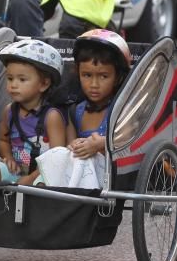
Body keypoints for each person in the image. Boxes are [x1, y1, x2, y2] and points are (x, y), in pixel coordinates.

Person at [36, 29, 130, 189]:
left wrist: (100, 144)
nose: (94, 84)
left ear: (118, 77)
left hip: (110, 176)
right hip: (80, 177)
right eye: (87, 75)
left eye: (103, 76)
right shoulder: (75, 111)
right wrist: (74, 146)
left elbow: (127, 141)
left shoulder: (122, 111)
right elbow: (71, 145)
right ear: (78, 73)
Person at [0, 39, 67, 185]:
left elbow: (57, 158)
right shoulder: (9, 111)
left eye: (22, 79)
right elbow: (3, 140)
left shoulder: (51, 117)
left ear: (44, 84)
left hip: (42, 173)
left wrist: (31, 178)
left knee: (43, 184)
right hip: (18, 170)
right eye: (10, 78)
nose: (13, 85)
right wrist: (8, 157)